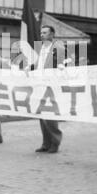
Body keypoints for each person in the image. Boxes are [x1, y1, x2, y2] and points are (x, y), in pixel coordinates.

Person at [33, 25, 65, 154]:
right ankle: (45, 143)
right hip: (40, 84)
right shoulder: (41, 48)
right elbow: (38, 64)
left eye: (45, 33)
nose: (42, 35)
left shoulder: (58, 47)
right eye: (41, 33)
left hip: (51, 85)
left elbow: (63, 63)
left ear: (52, 34)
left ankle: (55, 142)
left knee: (50, 114)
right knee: (42, 115)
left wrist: (62, 67)